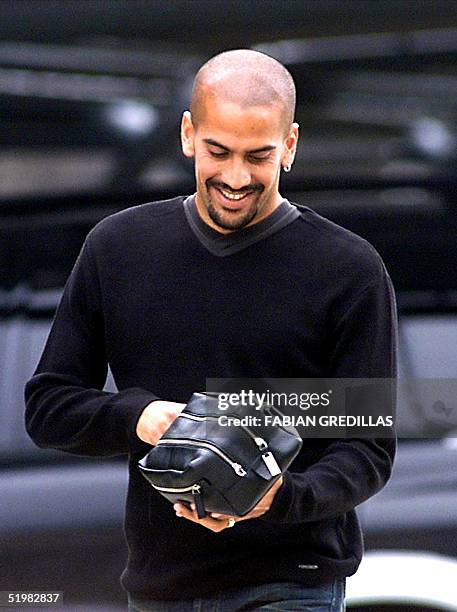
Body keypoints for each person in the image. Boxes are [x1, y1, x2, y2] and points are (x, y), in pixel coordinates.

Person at [25, 49, 397, 612]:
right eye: (218, 151)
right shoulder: (118, 248)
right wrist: (142, 418)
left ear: (290, 145)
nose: (236, 177)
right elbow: (49, 406)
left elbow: (367, 447)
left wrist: (278, 498)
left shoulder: (348, 269)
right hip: (159, 586)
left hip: (290, 583)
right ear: (187, 134)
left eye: (259, 156)